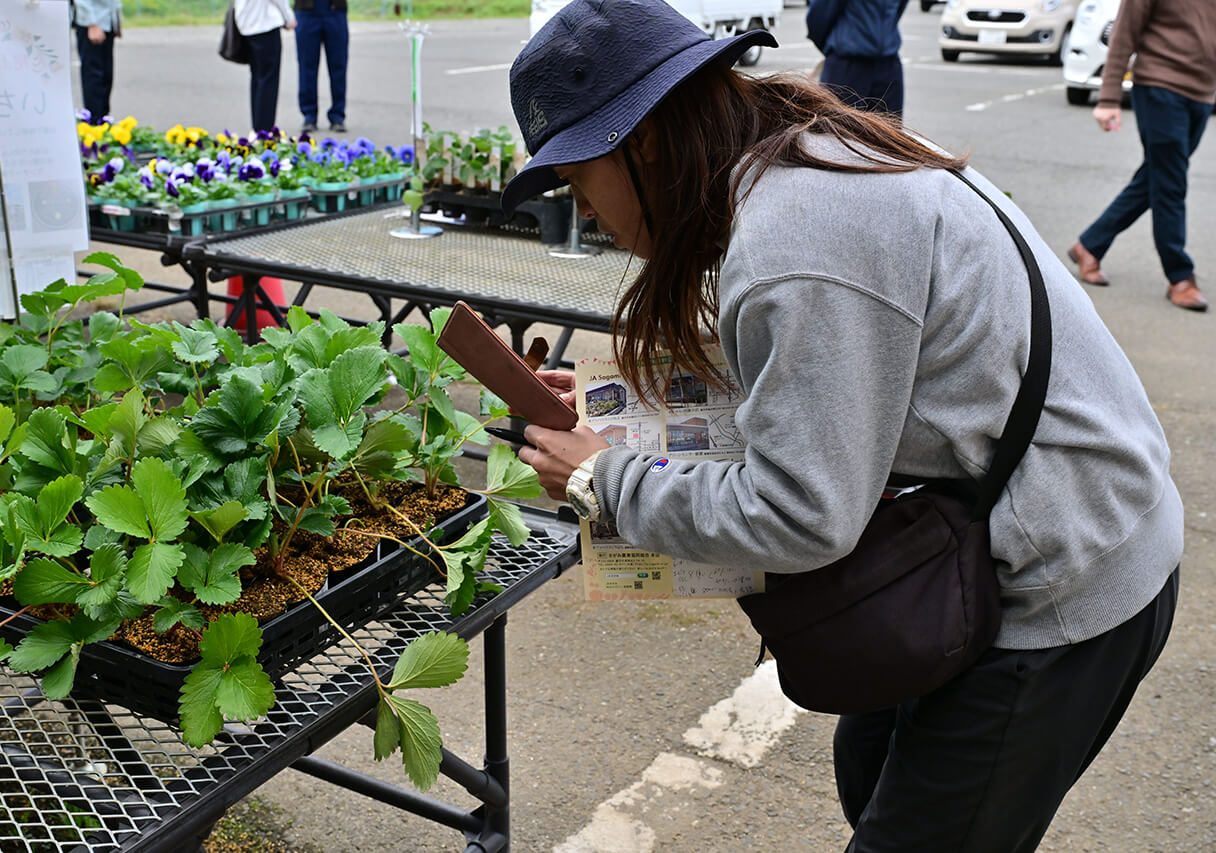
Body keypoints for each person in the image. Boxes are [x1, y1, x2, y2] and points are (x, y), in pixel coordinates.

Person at [500, 0, 1183, 849]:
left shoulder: (797, 235)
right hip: (996, 525)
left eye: (578, 181)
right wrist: (628, 409)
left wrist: (599, 478)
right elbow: (830, 364)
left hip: (1066, 575)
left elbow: (801, 515)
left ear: (639, 140)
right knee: (869, 772)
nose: (586, 213)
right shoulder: (803, 150)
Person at [1068, 0, 1215, 312]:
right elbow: (1123, 34)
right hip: (1159, 88)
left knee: (1158, 176)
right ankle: (1180, 275)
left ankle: (1089, 245)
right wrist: (1108, 98)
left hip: (1202, 95)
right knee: (1171, 182)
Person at [806, 0, 909, 118]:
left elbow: (898, 9)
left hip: (888, 63)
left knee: (889, 127)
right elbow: (819, 14)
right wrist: (835, 46)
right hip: (847, 64)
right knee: (839, 124)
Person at [234, 0, 297, 133]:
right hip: (264, 23)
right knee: (268, 80)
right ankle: (264, 130)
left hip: (246, 23)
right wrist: (289, 17)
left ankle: (257, 126)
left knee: (257, 78)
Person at [294, 0, 349, 133]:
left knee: (338, 66)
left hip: (335, 10)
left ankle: (337, 115)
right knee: (307, 67)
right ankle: (309, 115)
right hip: (307, 12)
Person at [72, 0, 123, 123]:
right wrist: (91, 23)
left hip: (106, 21)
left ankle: (103, 120)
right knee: (94, 76)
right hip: (92, 23)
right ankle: (93, 122)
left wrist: (115, 21)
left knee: (106, 75)